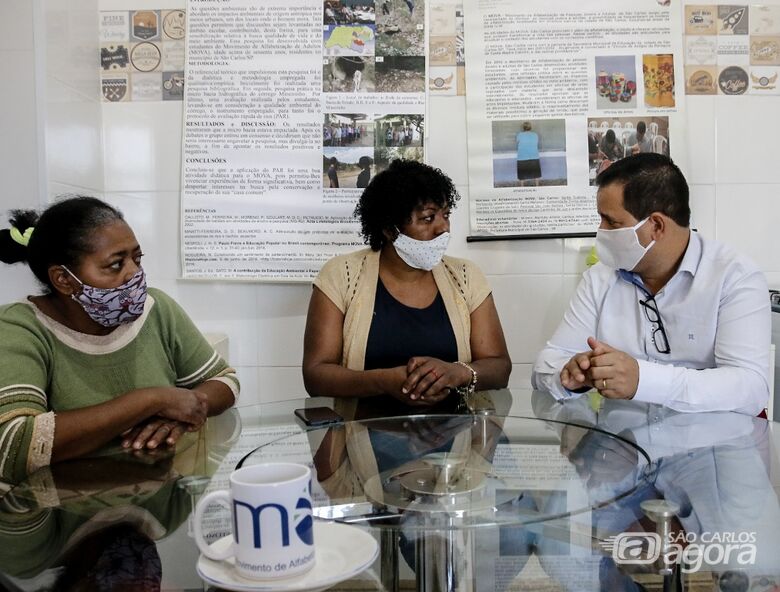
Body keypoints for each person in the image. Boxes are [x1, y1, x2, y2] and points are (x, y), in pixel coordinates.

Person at [0, 197, 238, 482]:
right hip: (62, 513)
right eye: (115, 264)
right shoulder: (20, 327)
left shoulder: (156, 308)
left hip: (154, 509)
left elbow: (225, 381)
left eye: (136, 258)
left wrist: (180, 410)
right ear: (63, 279)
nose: (134, 273)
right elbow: (14, 444)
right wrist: (152, 400)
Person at [532, 153, 770, 415]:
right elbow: (545, 366)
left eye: (611, 221)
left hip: (710, 448)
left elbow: (750, 388)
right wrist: (574, 375)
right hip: (621, 449)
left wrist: (642, 380)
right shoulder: (600, 279)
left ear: (656, 225)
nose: (600, 230)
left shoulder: (733, 277)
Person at [303, 159, 511, 407]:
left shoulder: (466, 276)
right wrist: (383, 381)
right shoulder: (341, 275)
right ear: (390, 230)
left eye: (445, 215)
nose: (443, 227)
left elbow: (500, 367)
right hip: (359, 436)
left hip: (457, 439)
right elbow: (315, 376)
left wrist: (460, 372)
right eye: (427, 218)